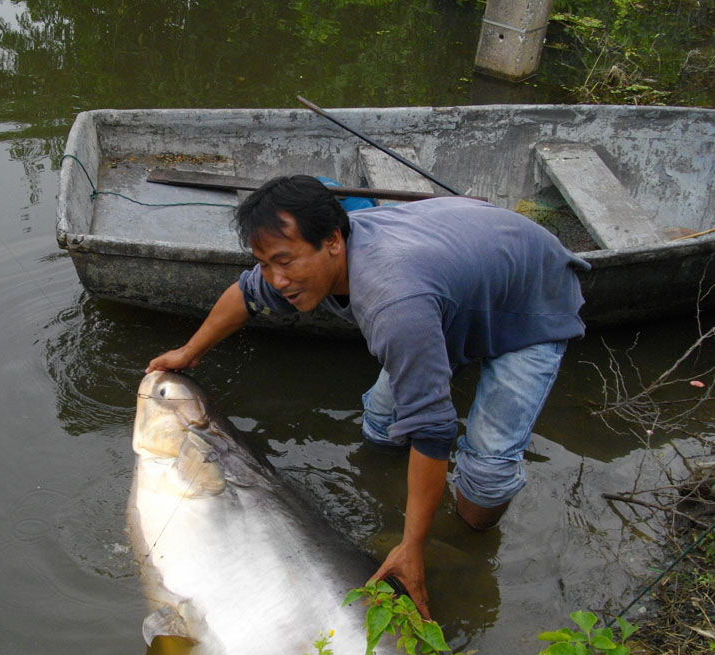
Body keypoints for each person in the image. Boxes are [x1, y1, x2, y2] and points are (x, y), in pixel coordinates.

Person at [146, 174, 590, 619]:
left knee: (485, 480)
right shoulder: (308, 269)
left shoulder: (394, 303)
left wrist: (412, 546)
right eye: (264, 263)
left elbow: (432, 431)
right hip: (459, 279)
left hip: (532, 296)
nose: (275, 279)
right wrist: (189, 352)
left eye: (284, 262)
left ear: (334, 240)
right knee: (380, 421)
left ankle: (465, 540)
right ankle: (400, 496)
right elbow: (246, 294)